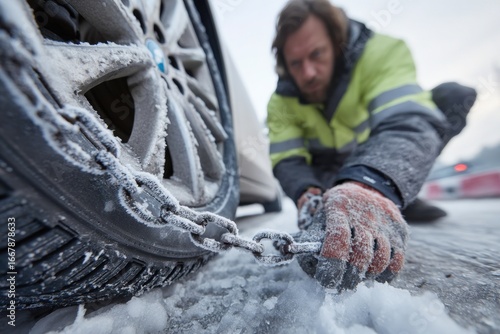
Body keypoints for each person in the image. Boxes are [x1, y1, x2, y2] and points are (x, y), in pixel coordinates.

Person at [267, 0, 476, 290]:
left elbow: (407, 119)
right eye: (296, 63)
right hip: (327, 176)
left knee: (452, 97)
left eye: (317, 54)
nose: (308, 73)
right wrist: (307, 192)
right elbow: (287, 158)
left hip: (379, 158)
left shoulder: (380, 53)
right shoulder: (281, 102)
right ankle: (378, 195)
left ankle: (388, 192)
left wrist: (370, 185)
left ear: (337, 44)